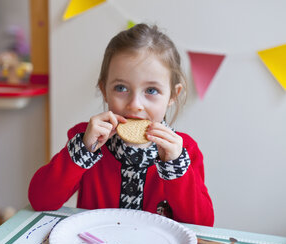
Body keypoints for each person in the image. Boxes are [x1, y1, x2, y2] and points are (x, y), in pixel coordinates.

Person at [28, 23, 214, 226]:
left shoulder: (183, 150)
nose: (135, 105)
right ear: (104, 90)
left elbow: (202, 224)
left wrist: (175, 166)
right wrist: (82, 150)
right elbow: (40, 201)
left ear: (172, 95)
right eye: (121, 87)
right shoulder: (87, 139)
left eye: (151, 90)